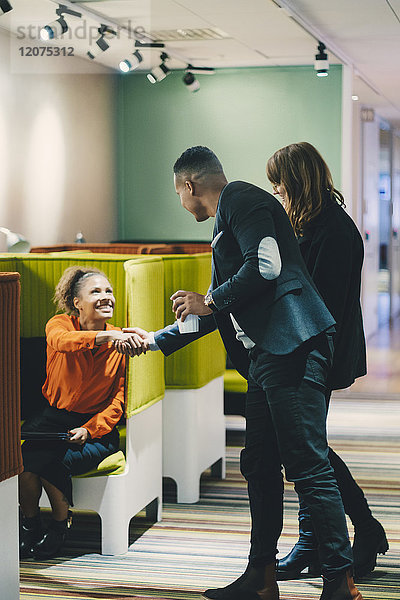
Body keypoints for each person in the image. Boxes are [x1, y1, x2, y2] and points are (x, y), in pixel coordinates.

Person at [128, 146, 364, 600]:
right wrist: (154, 340)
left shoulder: (241, 198)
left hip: (293, 346)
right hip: (268, 357)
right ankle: (261, 577)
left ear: (189, 185)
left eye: (178, 192)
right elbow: (223, 303)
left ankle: (340, 580)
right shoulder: (228, 221)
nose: (180, 200)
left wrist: (210, 300)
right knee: (258, 463)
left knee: (307, 463)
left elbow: (266, 266)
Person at [266, 141, 388, 579]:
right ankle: (321, 538)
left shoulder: (334, 230)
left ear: (297, 182)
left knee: (306, 448)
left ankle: (351, 531)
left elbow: (320, 305)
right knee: (304, 446)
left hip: (320, 352)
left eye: (280, 185)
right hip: (305, 349)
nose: (277, 193)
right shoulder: (312, 223)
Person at [19, 266, 142, 560]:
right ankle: (30, 525)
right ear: (77, 302)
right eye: (95, 291)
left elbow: (118, 400)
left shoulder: (119, 339)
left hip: (94, 428)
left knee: (52, 464)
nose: (105, 297)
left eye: (108, 291)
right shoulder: (59, 325)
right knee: (23, 465)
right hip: (52, 418)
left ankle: (60, 525)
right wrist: (105, 338)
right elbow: (62, 343)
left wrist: (91, 429)